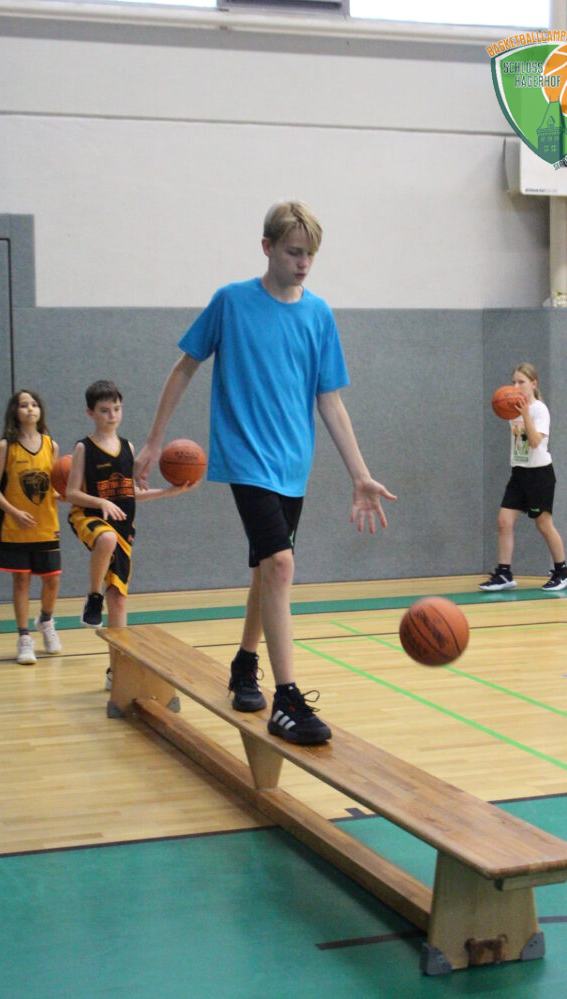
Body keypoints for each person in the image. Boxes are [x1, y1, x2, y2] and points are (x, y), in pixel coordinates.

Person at [134, 200, 396, 746]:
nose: (303, 263)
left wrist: (360, 474)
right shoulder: (231, 302)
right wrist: (155, 439)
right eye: (294, 252)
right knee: (279, 564)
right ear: (268, 247)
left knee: (264, 567)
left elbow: (330, 401)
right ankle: (288, 702)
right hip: (245, 458)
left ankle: (244, 662)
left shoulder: (319, 315)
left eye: (311, 255)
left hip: (293, 465)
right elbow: (184, 368)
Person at [66, 380, 197, 688]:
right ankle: (93, 596)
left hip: (124, 527)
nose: (112, 415)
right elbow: (71, 493)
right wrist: (101, 502)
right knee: (106, 539)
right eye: (104, 410)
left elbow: (129, 494)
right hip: (89, 516)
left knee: (119, 601)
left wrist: (167, 492)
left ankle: (116, 670)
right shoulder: (84, 448)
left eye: (116, 409)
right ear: (90, 413)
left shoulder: (129, 448)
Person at [479, 362, 567, 594]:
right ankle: (504, 573)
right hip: (519, 473)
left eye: (521, 382)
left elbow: (534, 442)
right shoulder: (512, 408)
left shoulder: (539, 410)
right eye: (513, 382)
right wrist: (508, 408)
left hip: (539, 474)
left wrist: (525, 416)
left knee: (544, 524)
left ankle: (563, 571)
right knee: (503, 522)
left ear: (533, 384)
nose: (515, 386)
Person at [0, 389, 63, 665]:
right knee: (21, 580)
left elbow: (54, 485)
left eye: (34, 404)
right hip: (16, 526)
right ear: (15, 412)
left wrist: (64, 493)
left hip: (46, 524)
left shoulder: (51, 446)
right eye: (23, 405)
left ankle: (46, 620)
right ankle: (24, 638)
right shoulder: (5, 447)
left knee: (52, 580)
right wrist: (14, 511)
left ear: (40, 410)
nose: (30, 409)